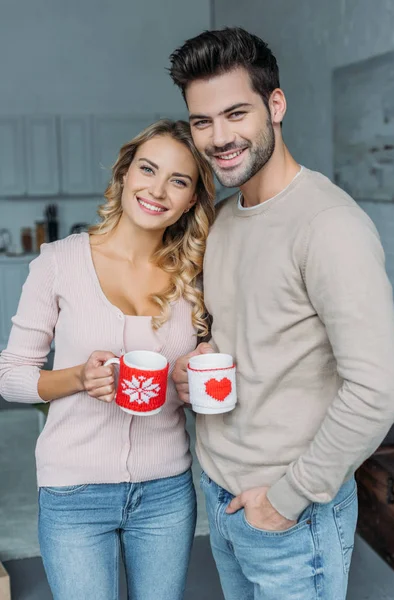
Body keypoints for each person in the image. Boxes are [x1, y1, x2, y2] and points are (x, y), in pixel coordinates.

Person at [169, 27, 394, 600]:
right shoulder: (221, 221)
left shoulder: (330, 227)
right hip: (223, 498)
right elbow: (241, 336)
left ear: (276, 105)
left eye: (235, 113)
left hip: (291, 513)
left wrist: (287, 499)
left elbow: (377, 390)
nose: (219, 137)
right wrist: (195, 362)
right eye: (202, 121)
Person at [0, 119, 215, 600]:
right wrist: (77, 377)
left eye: (178, 181)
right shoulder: (59, 262)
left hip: (166, 492)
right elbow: (10, 377)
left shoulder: (196, 276)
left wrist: (193, 377)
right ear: (123, 174)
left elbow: (207, 377)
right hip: (73, 492)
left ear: (191, 200)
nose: (157, 190)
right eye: (148, 169)